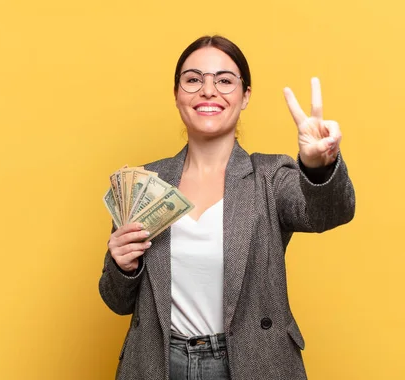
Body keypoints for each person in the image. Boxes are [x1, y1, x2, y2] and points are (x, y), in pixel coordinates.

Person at [99, 35, 355, 380]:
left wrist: (318, 166)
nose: (208, 91)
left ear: (245, 95)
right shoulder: (147, 182)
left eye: (224, 80)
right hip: (158, 364)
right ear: (176, 94)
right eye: (193, 80)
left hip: (252, 363)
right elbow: (117, 301)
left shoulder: (270, 176)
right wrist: (121, 266)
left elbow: (328, 212)